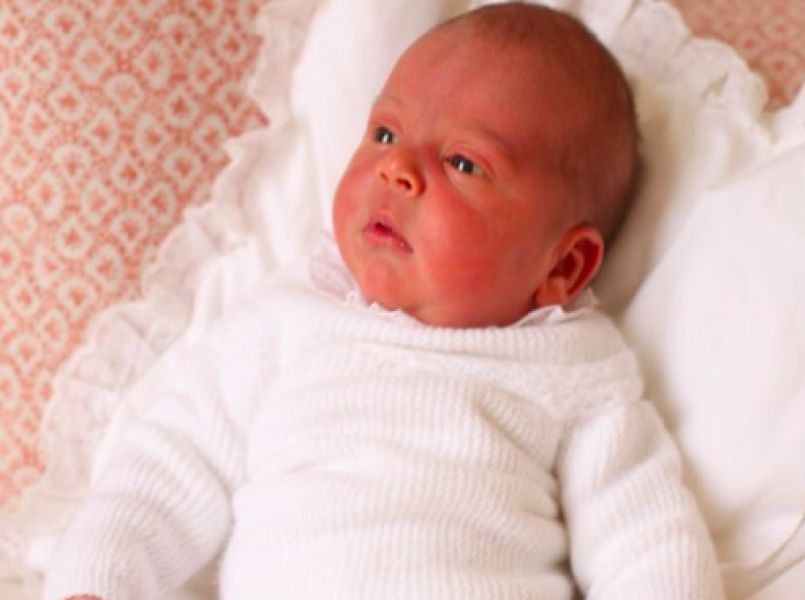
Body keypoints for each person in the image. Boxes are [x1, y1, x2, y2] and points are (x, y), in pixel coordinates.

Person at [46, 4, 724, 599]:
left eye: (463, 163)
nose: (396, 168)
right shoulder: (289, 317)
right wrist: (98, 579)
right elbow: (167, 465)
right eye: (385, 133)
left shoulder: (572, 369)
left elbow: (646, 539)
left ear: (563, 264)